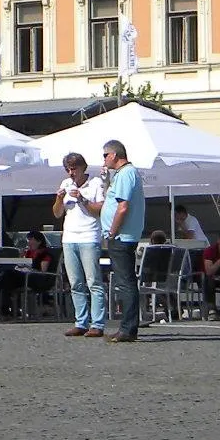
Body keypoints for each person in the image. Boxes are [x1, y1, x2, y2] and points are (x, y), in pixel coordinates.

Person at [53, 151, 107, 337]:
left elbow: (99, 210)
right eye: (68, 169)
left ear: (83, 167)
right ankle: (81, 322)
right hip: (69, 238)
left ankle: (97, 324)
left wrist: (82, 199)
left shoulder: (95, 183)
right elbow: (57, 213)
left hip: (89, 237)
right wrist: (59, 199)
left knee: (93, 282)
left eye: (74, 169)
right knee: (75, 282)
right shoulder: (65, 184)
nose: (71, 173)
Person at [99, 139, 145, 343]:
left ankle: (128, 329)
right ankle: (127, 327)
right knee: (125, 282)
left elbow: (122, 207)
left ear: (114, 155)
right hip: (123, 235)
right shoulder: (122, 174)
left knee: (125, 283)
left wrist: (112, 231)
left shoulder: (126, 173)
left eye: (105, 155)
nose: (104, 159)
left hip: (121, 236)